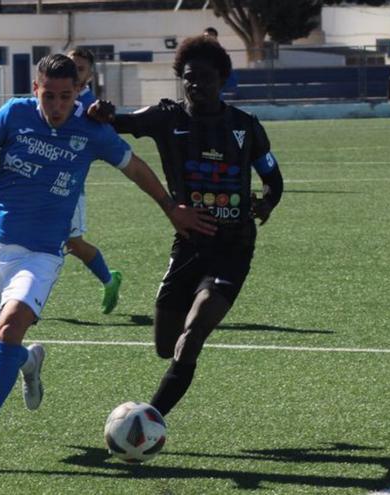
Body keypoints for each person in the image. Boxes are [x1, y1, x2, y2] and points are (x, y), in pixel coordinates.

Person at [0, 54, 184, 469]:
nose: (56, 105)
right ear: (36, 90)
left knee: (9, 329)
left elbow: (135, 167)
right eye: (49, 95)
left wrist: (170, 206)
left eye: (65, 97)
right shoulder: (14, 113)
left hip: (42, 252)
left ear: (78, 94)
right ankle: (29, 361)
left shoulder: (91, 129)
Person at [89, 36, 283, 419]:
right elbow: (121, 123)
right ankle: (172, 374)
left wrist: (267, 201)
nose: (197, 85)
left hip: (233, 246)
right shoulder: (167, 118)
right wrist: (103, 112)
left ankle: (147, 419)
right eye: (190, 77)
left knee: (192, 335)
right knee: (165, 344)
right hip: (188, 245)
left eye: (207, 78)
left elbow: (273, 177)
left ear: (223, 79)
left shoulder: (246, 127)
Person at [65, 47, 122, 314]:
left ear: (88, 76)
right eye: (69, 65)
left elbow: (108, 136)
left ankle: (110, 280)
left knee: (73, 244)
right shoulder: (50, 96)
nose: (74, 72)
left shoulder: (91, 107)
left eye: (80, 68)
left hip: (69, 187)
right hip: (37, 185)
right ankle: (25, 302)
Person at [203, 27, 238, 100]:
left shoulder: (221, 52)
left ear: (215, 37)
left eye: (210, 35)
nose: (208, 38)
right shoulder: (200, 51)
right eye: (206, 36)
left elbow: (228, 69)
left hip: (216, 82)